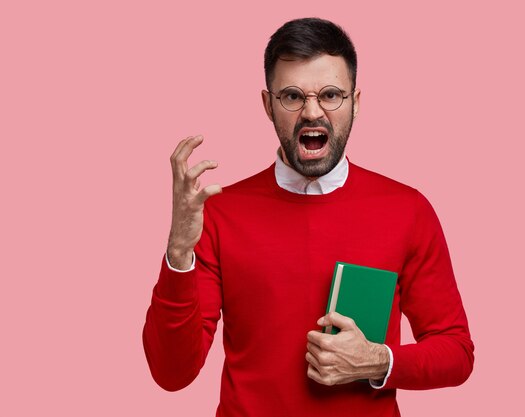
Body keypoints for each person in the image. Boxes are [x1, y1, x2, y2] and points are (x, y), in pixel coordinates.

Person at [143, 17, 474, 417]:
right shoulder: (218, 212)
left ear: (356, 102)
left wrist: (380, 361)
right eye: (293, 96)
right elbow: (171, 373)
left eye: (331, 94)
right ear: (268, 105)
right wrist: (178, 252)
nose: (312, 112)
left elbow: (456, 351)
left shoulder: (408, 210)